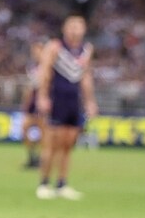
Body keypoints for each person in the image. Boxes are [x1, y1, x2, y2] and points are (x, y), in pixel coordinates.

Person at [35, 15, 98, 201]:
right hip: (56, 99)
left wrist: (90, 102)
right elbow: (44, 72)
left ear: (84, 29)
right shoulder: (55, 47)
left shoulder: (86, 50)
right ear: (64, 28)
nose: (75, 30)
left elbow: (86, 77)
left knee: (68, 144)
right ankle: (44, 183)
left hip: (74, 101)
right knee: (51, 143)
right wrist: (42, 97)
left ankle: (62, 183)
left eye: (79, 26)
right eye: (71, 26)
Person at [19, 40, 45, 169]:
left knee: (43, 130)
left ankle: (41, 158)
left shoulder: (48, 67)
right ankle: (32, 156)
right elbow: (30, 87)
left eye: (37, 50)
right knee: (24, 128)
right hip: (33, 100)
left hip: (43, 99)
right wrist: (26, 102)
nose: (35, 53)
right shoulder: (32, 67)